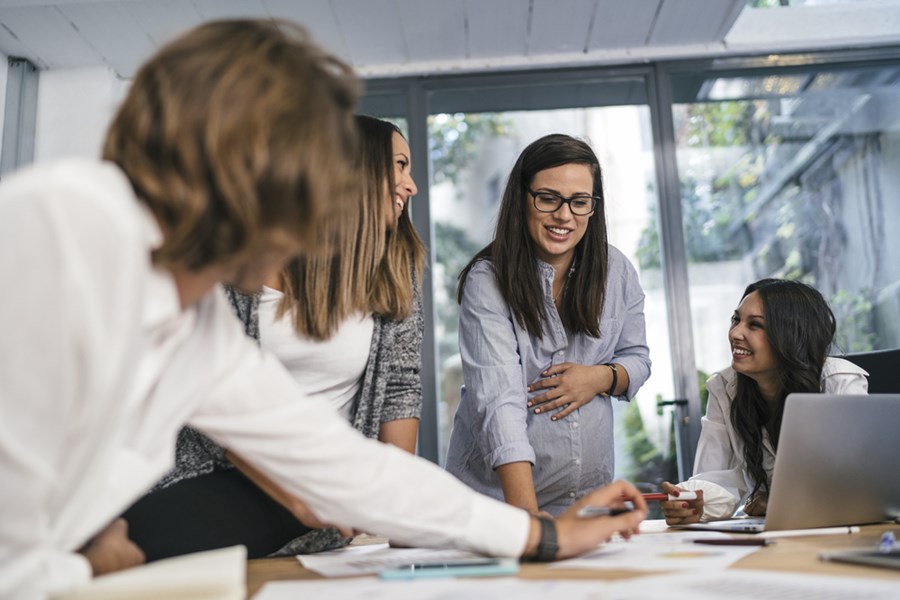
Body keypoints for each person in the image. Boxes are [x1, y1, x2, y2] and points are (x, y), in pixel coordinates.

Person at [0, 20, 648, 599]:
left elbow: (344, 466)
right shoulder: (59, 230)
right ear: (250, 166)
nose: (322, 213)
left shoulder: (196, 322)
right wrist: (83, 563)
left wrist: (542, 538)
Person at [123, 115, 426, 559]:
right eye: (399, 165)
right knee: (125, 542)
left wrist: (399, 510)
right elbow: (202, 389)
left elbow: (401, 387)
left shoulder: (395, 269)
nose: (410, 185)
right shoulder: (240, 261)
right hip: (216, 472)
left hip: (322, 485)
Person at [445, 134, 652, 516]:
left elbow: (637, 357)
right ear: (522, 198)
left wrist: (599, 377)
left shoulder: (617, 271)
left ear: (594, 207)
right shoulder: (487, 281)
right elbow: (498, 403)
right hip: (499, 508)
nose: (564, 215)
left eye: (579, 202)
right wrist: (528, 520)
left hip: (585, 504)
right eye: (548, 198)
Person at [660, 278, 868, 524]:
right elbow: (715, 477)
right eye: (736, 320)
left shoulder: (837, 381)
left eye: (755, 325)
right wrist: (691, 501)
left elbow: (858, 484)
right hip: (771, 532)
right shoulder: (725, 387)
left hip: (839, 531)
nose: (735, 333)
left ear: (791, 336)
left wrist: (783, 502)